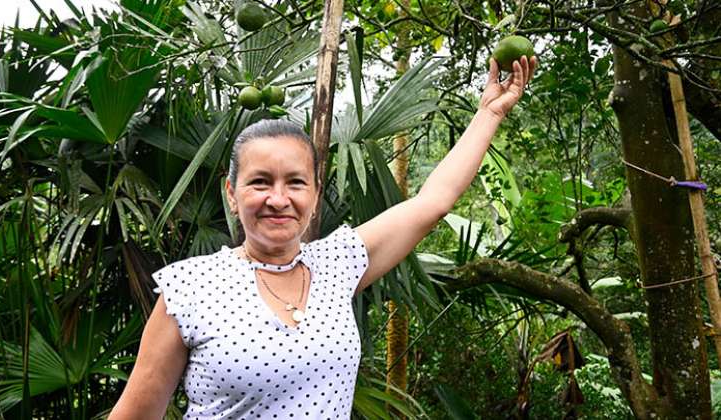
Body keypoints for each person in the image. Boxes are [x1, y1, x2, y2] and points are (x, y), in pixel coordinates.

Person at [109, 55, 535, 419]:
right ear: (232, 194)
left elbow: (433, 202)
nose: (278, 199)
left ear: (314, 193)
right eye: (260, 182)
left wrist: (489, 113)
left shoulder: (338, 263)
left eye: (295, 182)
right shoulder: (189, 289)